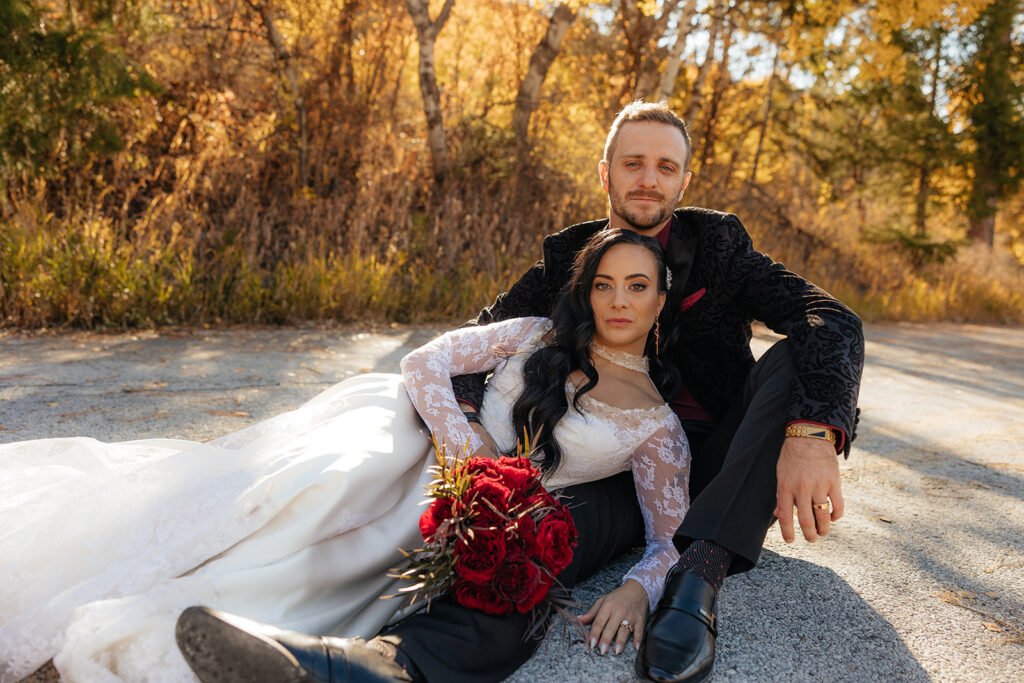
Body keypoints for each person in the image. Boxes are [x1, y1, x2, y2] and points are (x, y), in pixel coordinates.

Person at [0, 229, 690, 683]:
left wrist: (638, 588)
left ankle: (222, 635)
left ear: (663, 297)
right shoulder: (540, 332)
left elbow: (668, 539)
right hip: (419, 440)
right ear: (587, 288)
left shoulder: (657, 428)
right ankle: (127, 584)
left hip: (469, 509)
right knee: (318, 489)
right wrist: (471, 451)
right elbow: (426, 362)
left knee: (350, 563)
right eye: (605, 282)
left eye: (637, 285)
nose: (619, 299)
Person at [446, 100, 865, 683]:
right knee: (518, 547)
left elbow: (832, 318)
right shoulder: (572, 256)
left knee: (800, 355)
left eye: (666, 168)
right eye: (633, 163)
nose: (648, 180)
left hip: (722, 465)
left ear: (684, 181)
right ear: (606, 173)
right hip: (610, 467)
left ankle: (698, 576)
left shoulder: (719, 246)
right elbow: (475, 336)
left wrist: (813, 434)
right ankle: (409, 657)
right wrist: (467, 415)